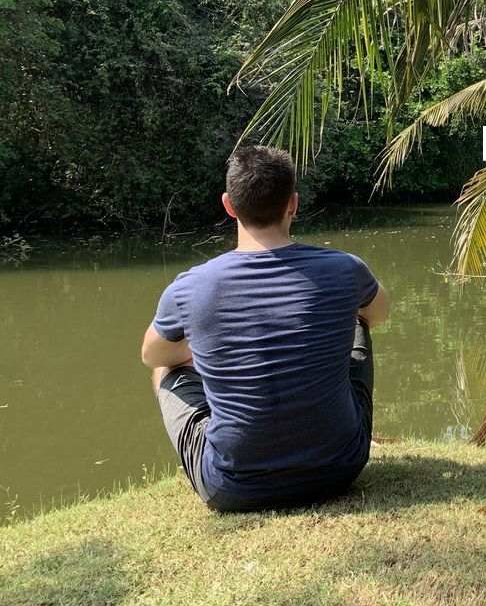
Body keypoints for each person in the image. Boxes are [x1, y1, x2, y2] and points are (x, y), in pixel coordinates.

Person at [139, 145, 391, 512]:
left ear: (229, 205)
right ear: (293, 203)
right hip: (339, 469)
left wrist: (205, 350)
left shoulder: (189, 287)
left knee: (166, 367)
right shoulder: (346, 268)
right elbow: (379, 313)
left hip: (232, 488)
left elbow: (152, 356)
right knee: (357, 322)